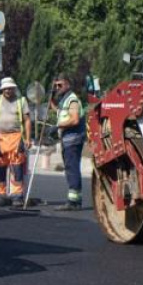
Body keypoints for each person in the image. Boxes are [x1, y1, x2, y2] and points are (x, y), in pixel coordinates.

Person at [0, 77, 31, 207]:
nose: (8, 90)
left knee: (17, 168)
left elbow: (27, 120)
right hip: (0, 139)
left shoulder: (21, 101)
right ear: (2, 89)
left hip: (16, 138)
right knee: (0, 168)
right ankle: (1, 195)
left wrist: (28, 138)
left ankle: (17, 196)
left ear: (14, 88)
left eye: (10, 88)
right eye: (5, 88)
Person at [51, 75, 86, 211]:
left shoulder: (72, 100)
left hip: (73, 139)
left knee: (72, 169)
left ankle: (74, 201)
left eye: (60, 85)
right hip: (67, 139)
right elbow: (61, 112)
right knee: (70, 168)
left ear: (68, 85)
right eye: (56, 85)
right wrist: (52, 102)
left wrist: (58, 126)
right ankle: (74, 200)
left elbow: (74, 119)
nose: (57, 88)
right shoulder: (65, 100)